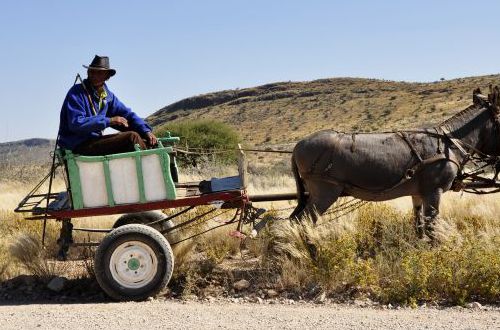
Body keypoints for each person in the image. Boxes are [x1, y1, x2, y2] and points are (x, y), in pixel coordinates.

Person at [58, 55, 158, 155]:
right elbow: (76, 123)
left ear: (107, 76)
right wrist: (109, 121)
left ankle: (156, 158)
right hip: (78, 144)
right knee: (131, 137)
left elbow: (127, 115)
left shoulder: (107, 96)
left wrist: (145, 131)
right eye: (92, 71)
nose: (94, 75)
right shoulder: (76, 92)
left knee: (145, 139)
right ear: (87, 72)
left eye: (99, 72)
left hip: (94, 141)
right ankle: (152, 163)